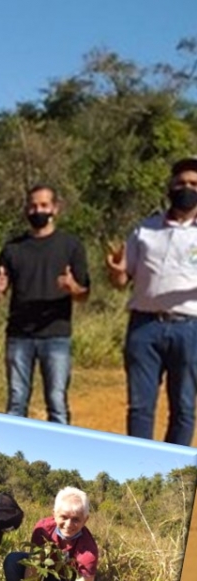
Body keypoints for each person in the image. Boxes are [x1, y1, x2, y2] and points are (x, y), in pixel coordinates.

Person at [107, 157, 197, 445]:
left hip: (190, 328)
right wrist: (116, 270)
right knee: (140, 408)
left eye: (194, 184)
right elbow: (122, 280)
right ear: (170, 186)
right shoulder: (144, 230)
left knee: (183, 408)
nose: (186, 188)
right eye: (181, 183)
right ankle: (139, 468)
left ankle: (175, 477)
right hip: (144, 327)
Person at [0, 186, 90, 424]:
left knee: (56, 401)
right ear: (26, 209)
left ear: (55, 208)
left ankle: (59, 455)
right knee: (16, 400)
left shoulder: (71, 245)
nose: (38, 210)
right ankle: (15, 454)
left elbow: (84, 294)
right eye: (33, 206)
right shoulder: (12, 248)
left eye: (44, 205)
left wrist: (73, 288)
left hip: (56, 334)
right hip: (18, 335)